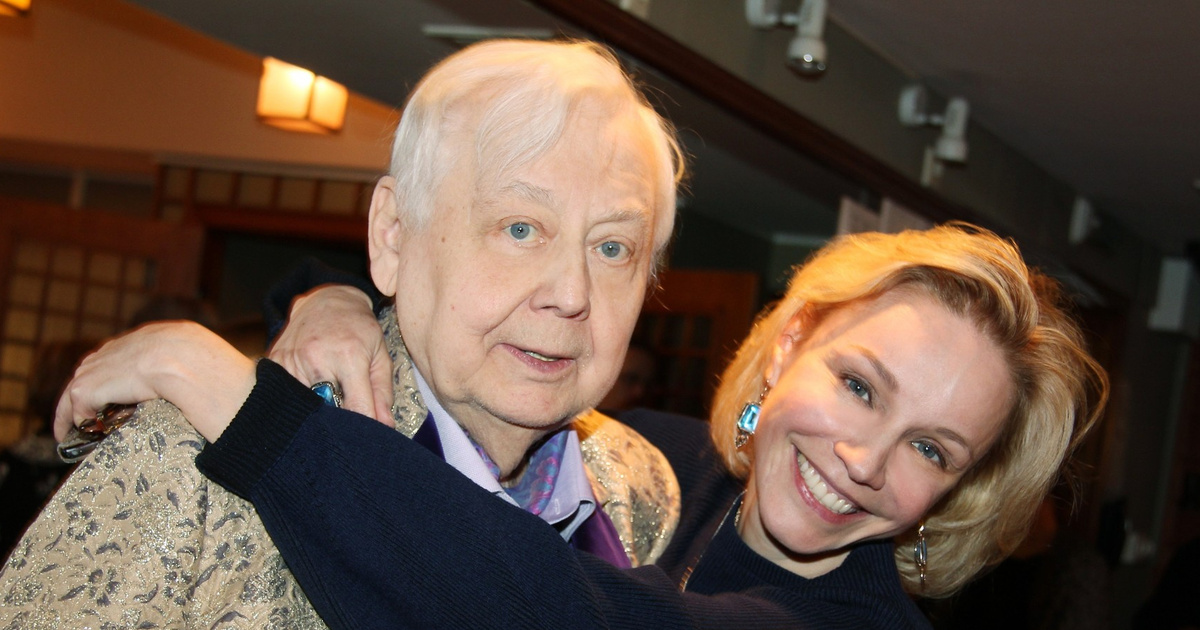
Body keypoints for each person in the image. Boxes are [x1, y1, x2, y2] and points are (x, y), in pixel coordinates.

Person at [49, 224, 1109, 629]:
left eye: (930, 448)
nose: (863, 462)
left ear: (958, 490)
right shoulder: (649, 461)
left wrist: (240, 404)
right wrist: (332, 304)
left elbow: (549, 608)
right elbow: (467, 379)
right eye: (861, 386)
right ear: (791, 345)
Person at [0, 38, 685, 628]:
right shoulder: (195, 451)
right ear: (393, 235)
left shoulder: (637, 486)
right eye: (520, 228)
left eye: (613, 247)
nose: (571, 294)